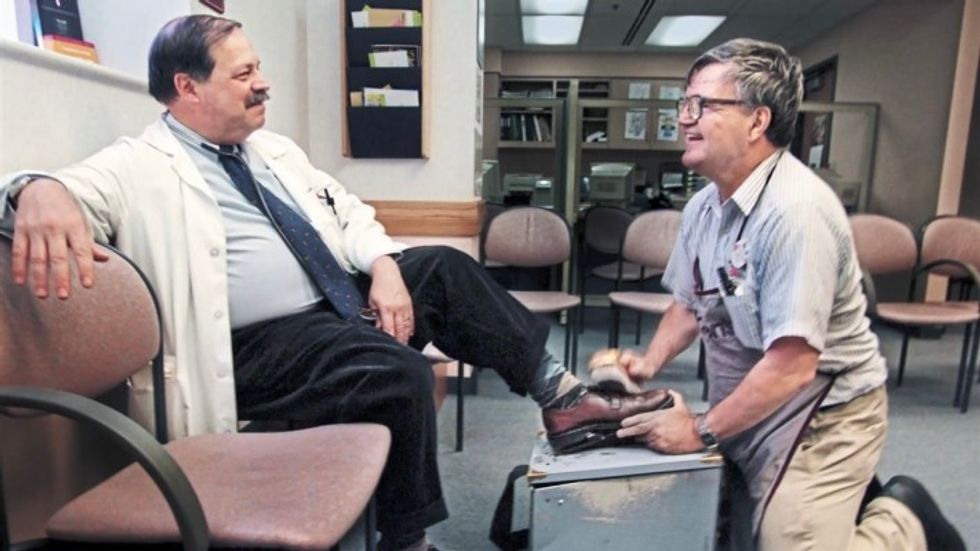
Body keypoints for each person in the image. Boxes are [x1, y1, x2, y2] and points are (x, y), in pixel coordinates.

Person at [0, 15, 675, 551]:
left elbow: (345, 211)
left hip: (334, 301)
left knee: (440, 266)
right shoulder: (135, 166)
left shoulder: (272, 151)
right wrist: (35, 187)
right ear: (188, 87)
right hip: (255, 345)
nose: (263, 83)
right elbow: (45, 192)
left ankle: (561, 397)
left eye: (260, 66)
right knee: (401, 373)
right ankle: (406, 537)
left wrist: (384, 268)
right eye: (244, 73)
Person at [610, 38, 965, 551]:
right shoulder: (705, 207)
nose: (685, 119)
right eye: (684, 104)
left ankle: (904, 520)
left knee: (787, 544)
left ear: (757, 121)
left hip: (824, 413)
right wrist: (650, 360)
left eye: (704, 105)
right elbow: (690, 303)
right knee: (723, 525)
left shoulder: (795, 212)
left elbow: (794, 366)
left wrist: (701, 430)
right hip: (753, 401)